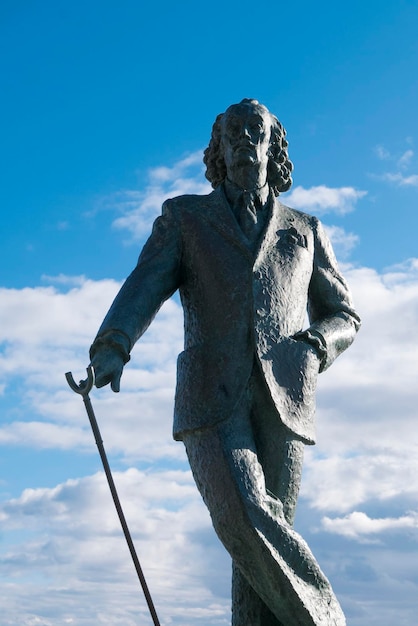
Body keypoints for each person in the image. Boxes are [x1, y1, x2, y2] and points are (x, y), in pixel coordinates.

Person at [90, 99, 360, 625]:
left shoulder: (305, 228)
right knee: (244, 513)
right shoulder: (186, 217)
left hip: (287, 396)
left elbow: (344, 314)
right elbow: (146, 283)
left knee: (255, 558)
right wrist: (113, 344)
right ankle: (325, 618)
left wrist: (316, 345)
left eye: (252, 131)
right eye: (230, 133)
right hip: (210, 395)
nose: (241, 140)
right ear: (217, 150)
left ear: (271, 146)